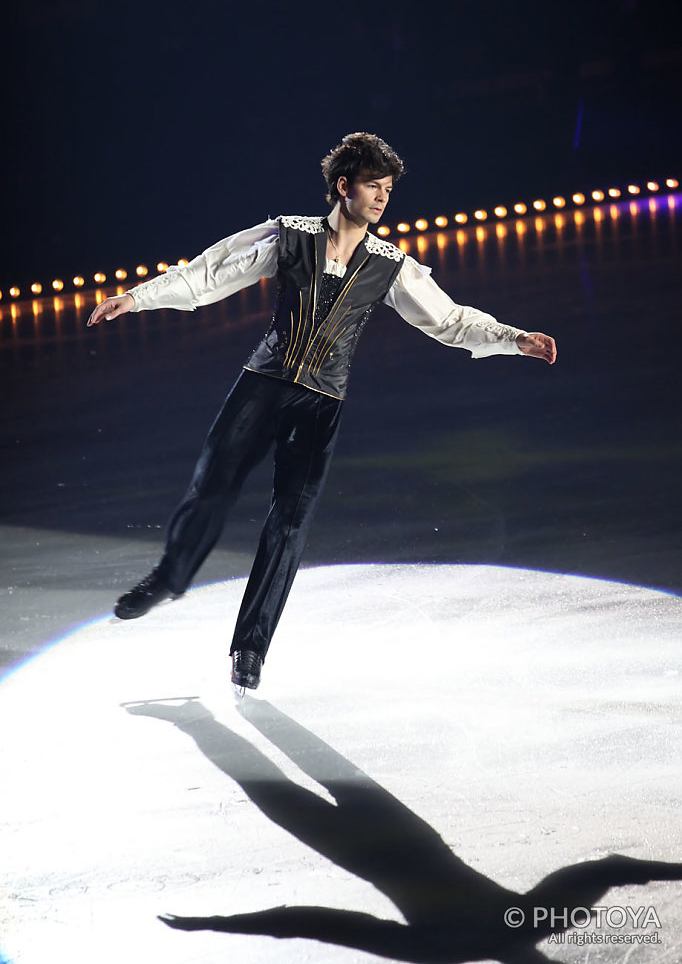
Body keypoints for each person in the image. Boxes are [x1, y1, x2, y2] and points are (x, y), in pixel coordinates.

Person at [87, 132, 556, 691]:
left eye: (387, 189)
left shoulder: (389, 265)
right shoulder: (288, 236)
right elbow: (210, 275)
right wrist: (136, 297)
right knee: (212, 484)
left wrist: (512, 337)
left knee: (289, 522)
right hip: (261, 384)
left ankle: (251, 647)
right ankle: (171, 577)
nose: (382, 198)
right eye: (372, 186)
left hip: (320, 402)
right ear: (343, 186)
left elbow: (448, 320)